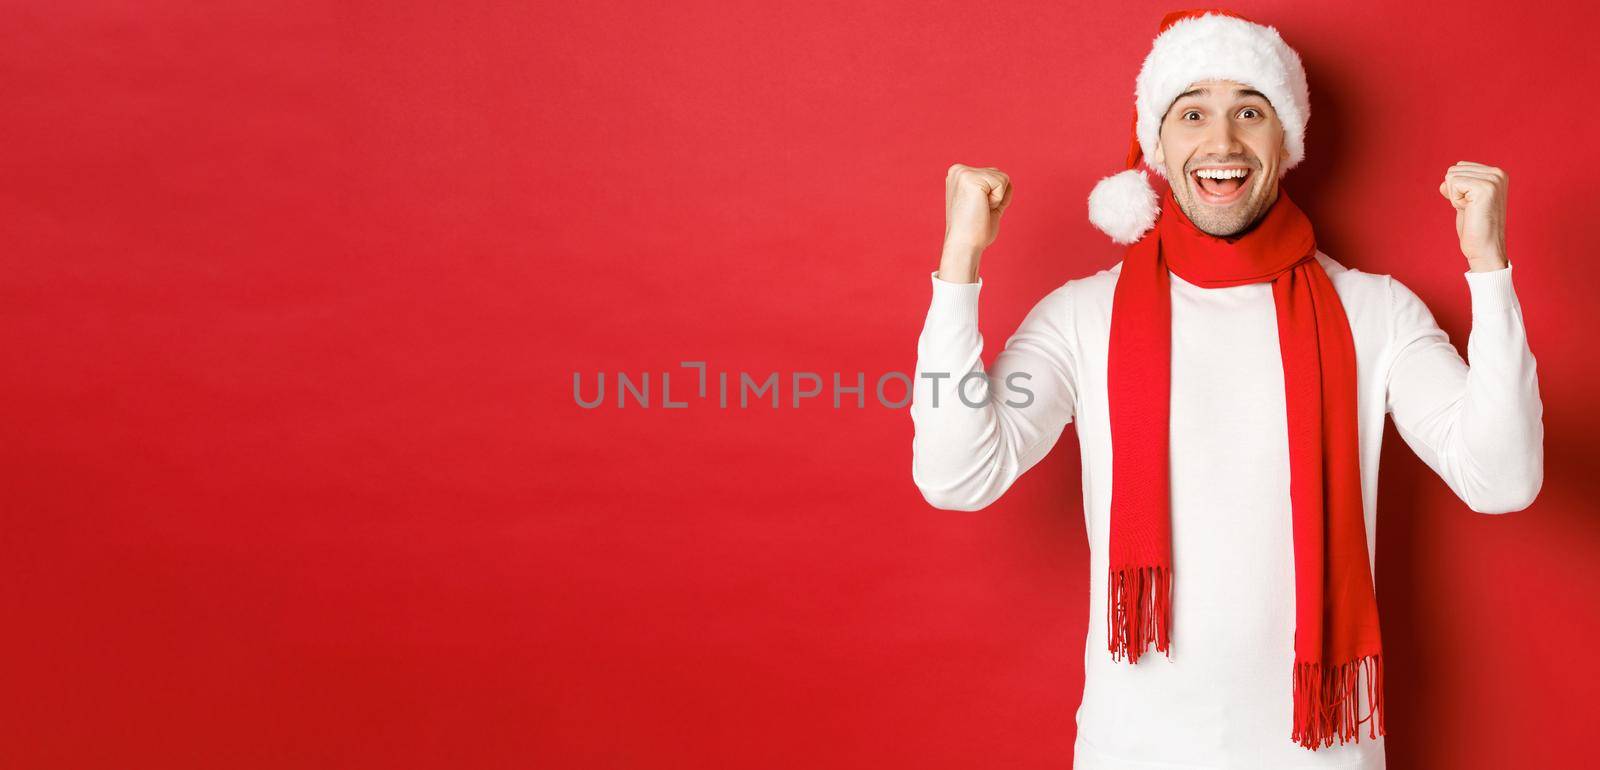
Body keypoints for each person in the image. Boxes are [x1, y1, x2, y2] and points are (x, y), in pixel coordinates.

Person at [908, 8, 1544, 770]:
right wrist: (958, 268)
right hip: (1133, 751)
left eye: (1250, 110)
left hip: (1322, 753)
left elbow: (1504, 481)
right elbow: (954, 475)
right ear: (1157, 142)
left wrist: (1490, 272)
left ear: (1287, 139)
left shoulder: (1375, 311)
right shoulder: (1083, 314)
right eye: (1192, 113)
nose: (1221, 143)